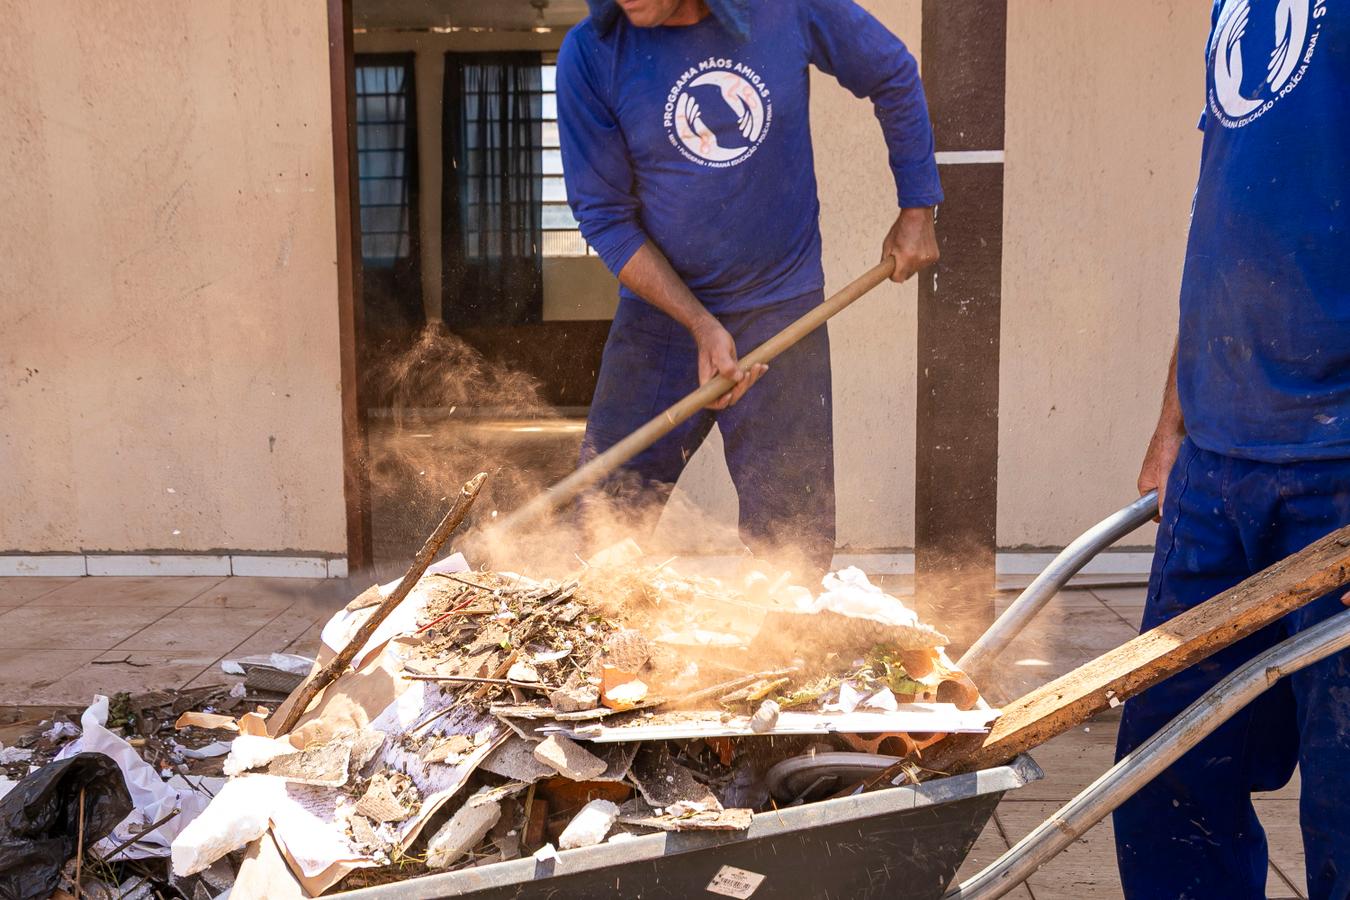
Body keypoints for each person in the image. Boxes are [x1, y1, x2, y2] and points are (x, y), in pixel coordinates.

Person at [556, 0, 941, 576]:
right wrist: (700, 324)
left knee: (794, 539)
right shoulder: (590, 53)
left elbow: (891, 71)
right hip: (660, 322)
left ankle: (781, 661)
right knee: (597, 524)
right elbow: (605, 216)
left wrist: (917, 206)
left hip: (783, 311)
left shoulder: (785, 8)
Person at [1114, 0, 1349, 896]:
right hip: (1218, 457)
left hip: (1339, 466)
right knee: (1169, 780)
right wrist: (1174, 417)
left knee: (1347, 798)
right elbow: (1226, 205)